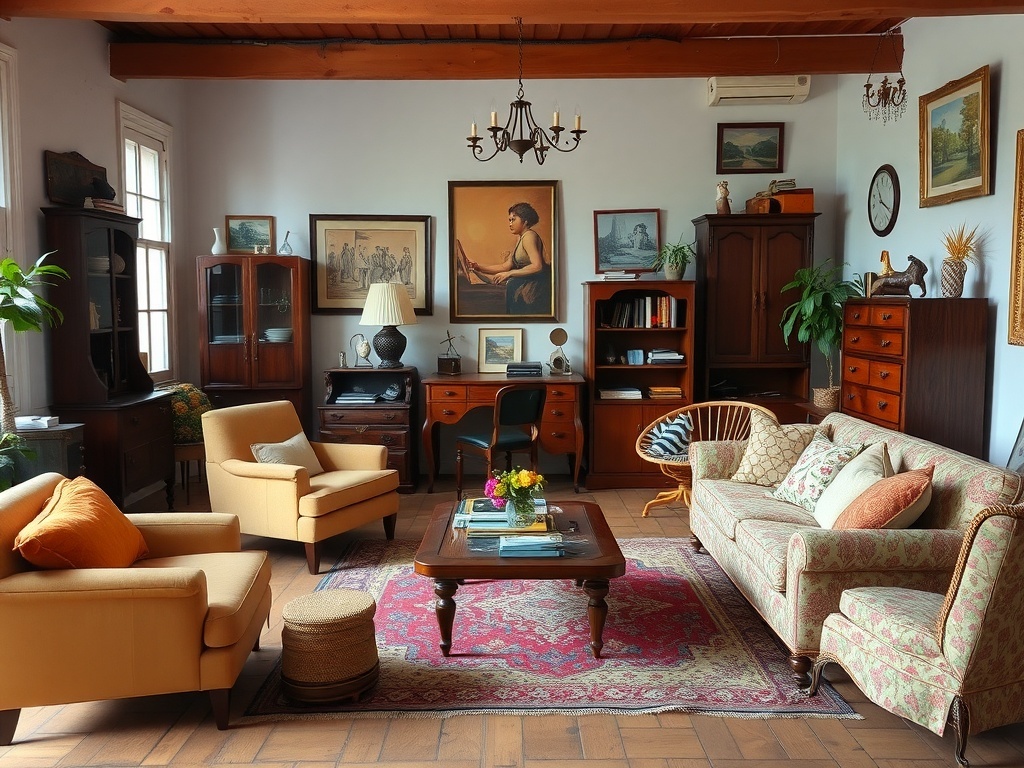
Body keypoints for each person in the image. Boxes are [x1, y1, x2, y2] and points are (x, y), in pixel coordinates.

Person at [466, 202, 551, 315]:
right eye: (509, 220)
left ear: (525, 221)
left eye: (513, 220)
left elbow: (537, 266)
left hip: (535, 288)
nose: (510, 224)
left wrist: (509, 274)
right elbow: (505, 266)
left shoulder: (529, 236)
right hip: (526, 284)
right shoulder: (521, 238)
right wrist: (478, 267)